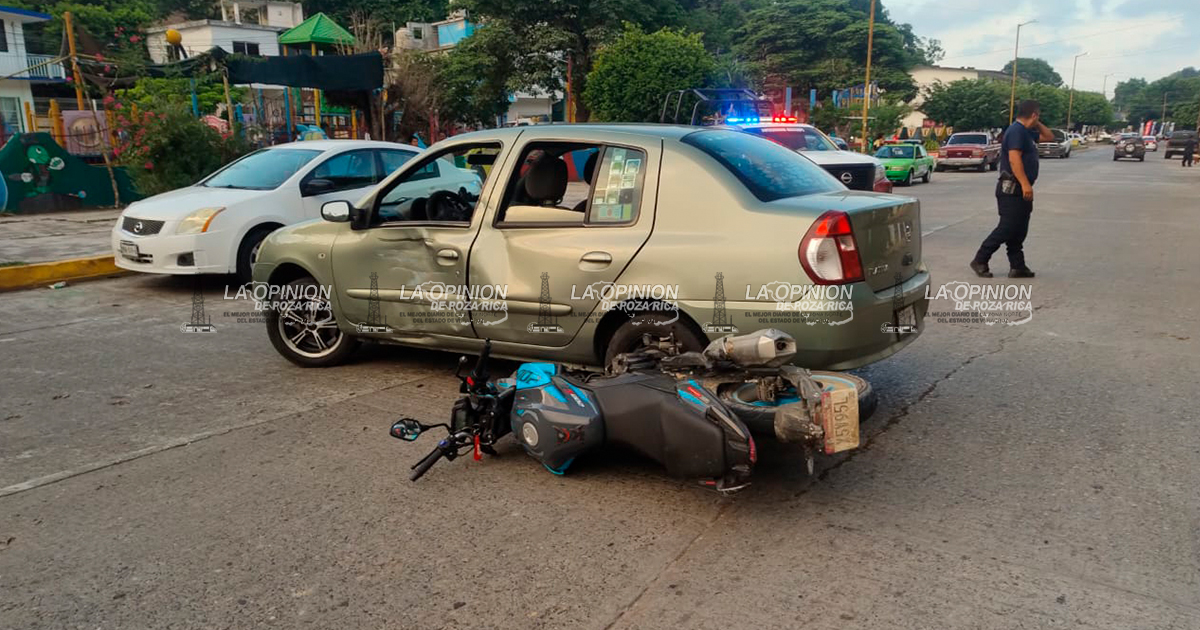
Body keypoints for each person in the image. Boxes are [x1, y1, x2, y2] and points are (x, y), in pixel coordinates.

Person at [970, 99, 1055, 279]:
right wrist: (1025, 184)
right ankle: (980, 259)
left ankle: (1018, 266)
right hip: (1012, 188)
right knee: (1007, 227)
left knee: (1019, 229)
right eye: (1037, 115)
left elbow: (1049, 137)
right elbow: (1014, 159)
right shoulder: (1016, 131)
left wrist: (1036, 121)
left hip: (1020, 188)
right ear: (1033, 114)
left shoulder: (1025, 132)